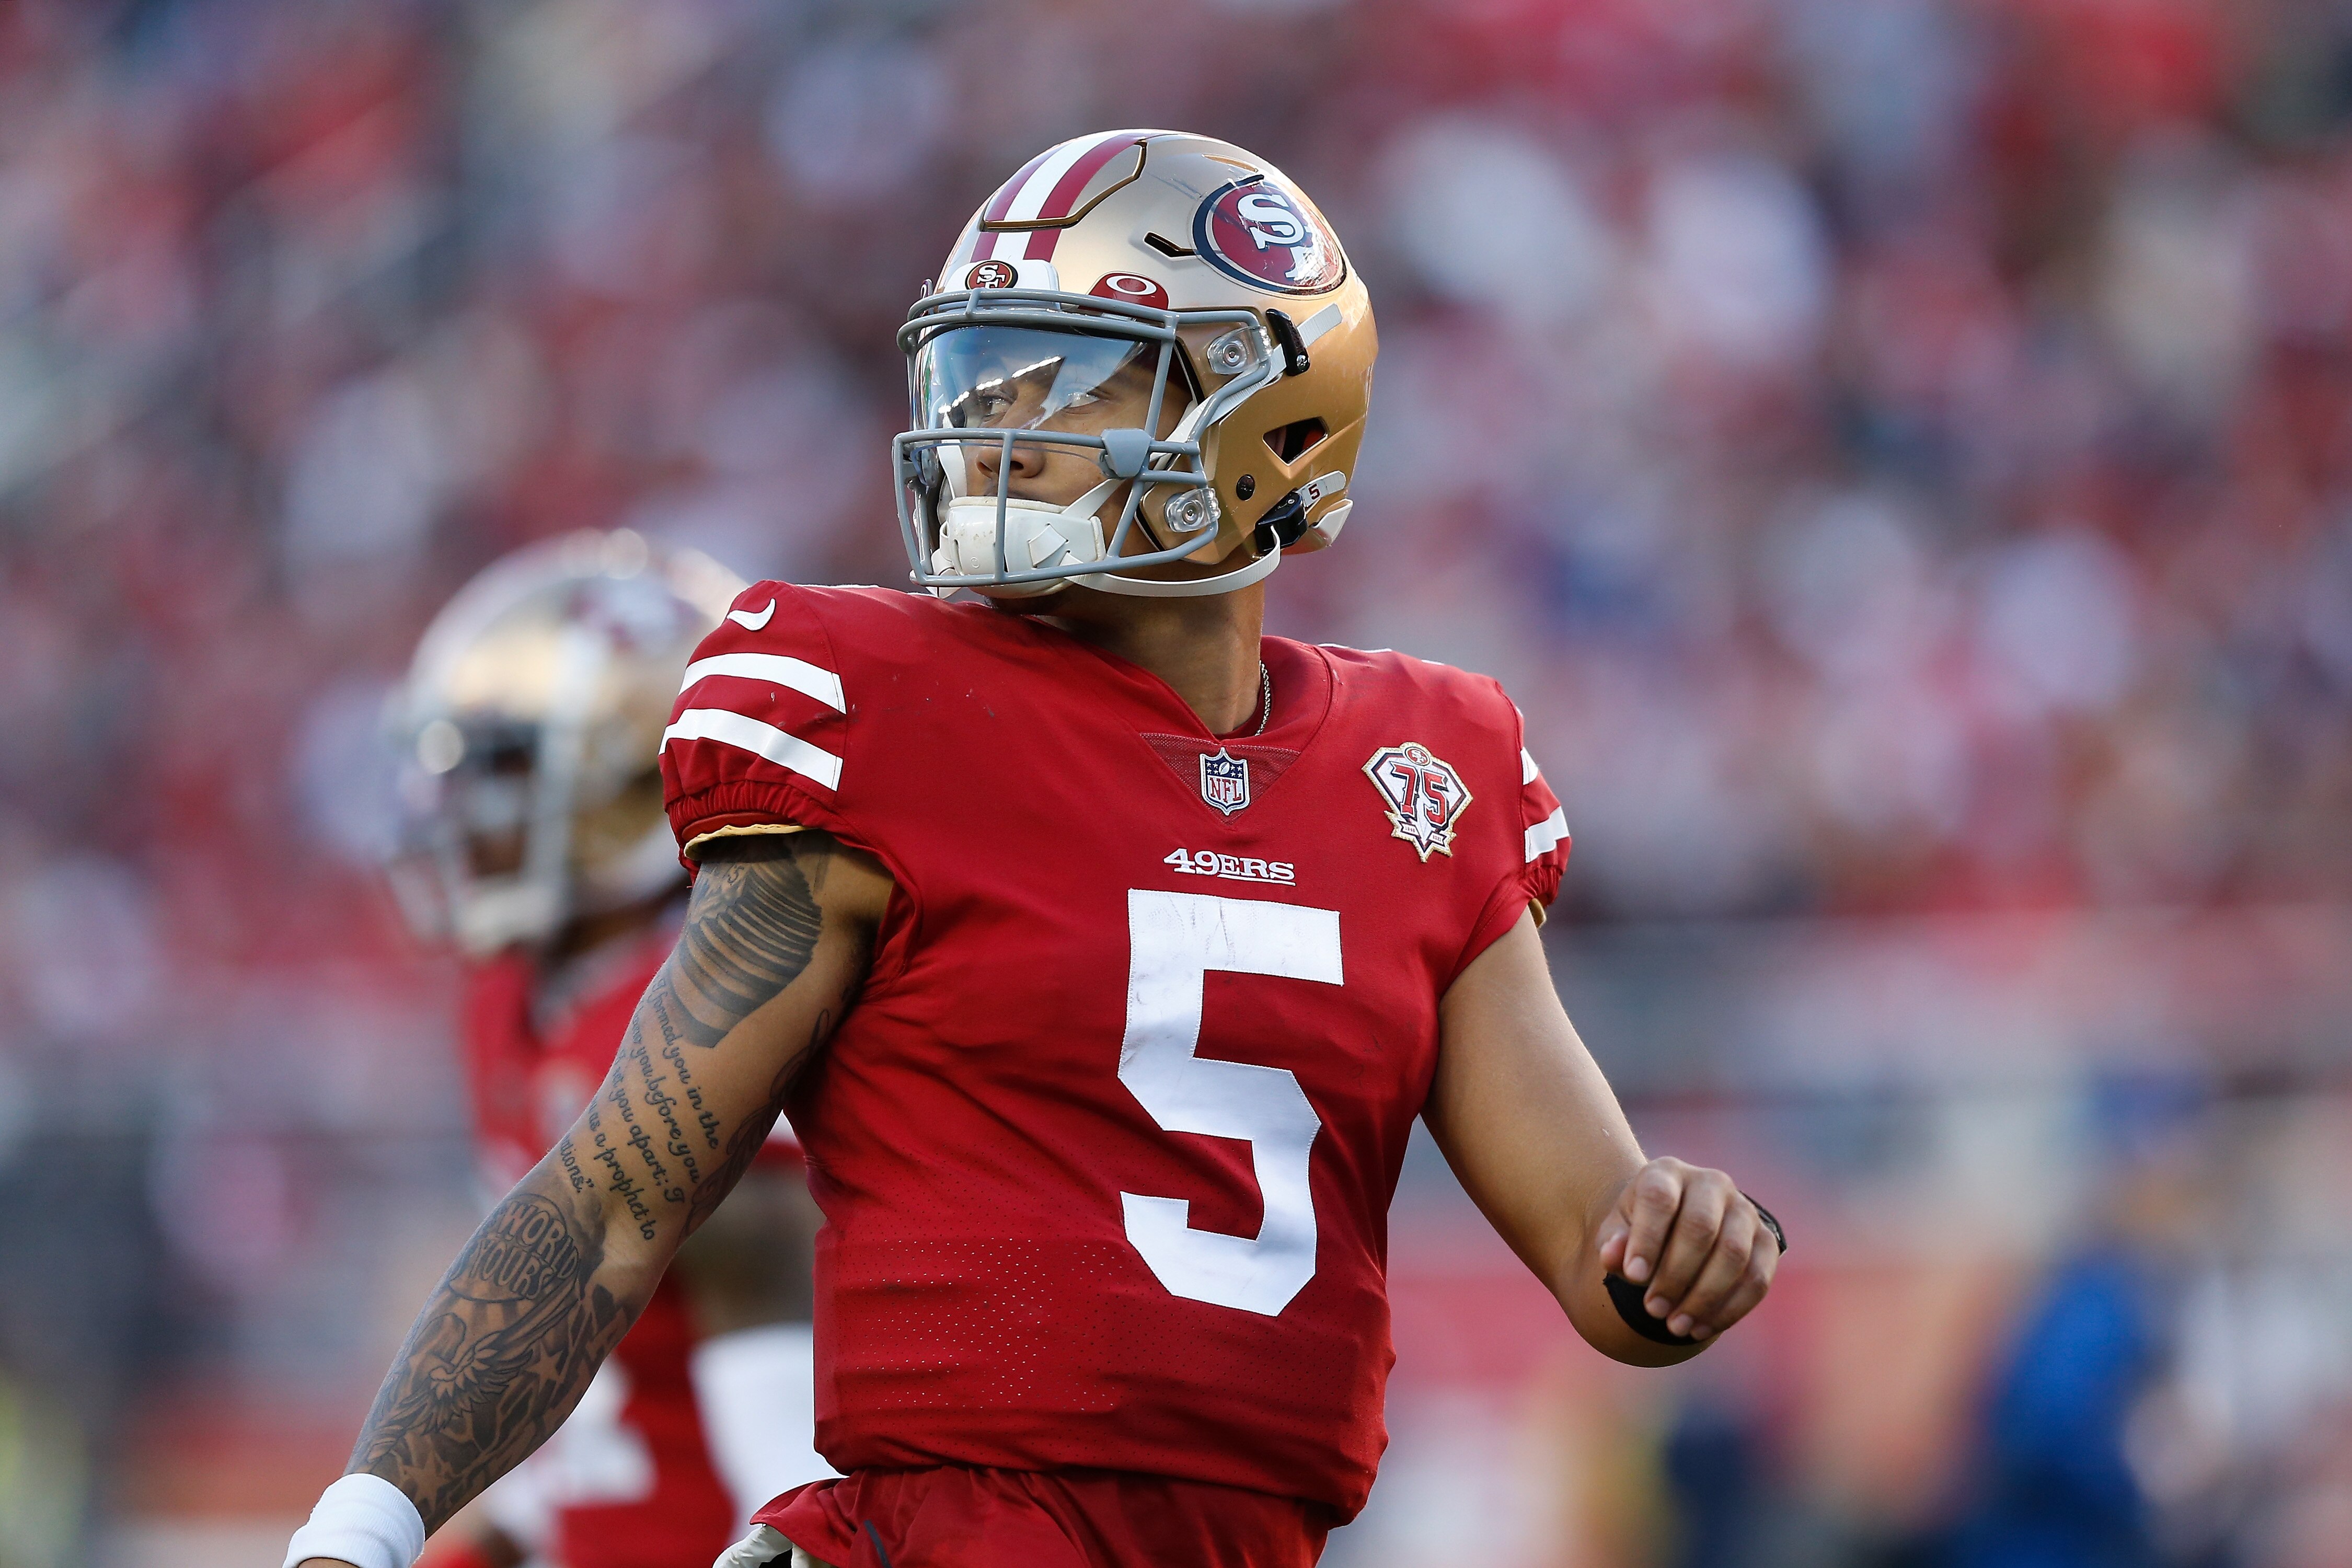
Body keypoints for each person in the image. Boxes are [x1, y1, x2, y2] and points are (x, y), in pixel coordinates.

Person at [286, 132, 1783, 1568]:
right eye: (982, 373)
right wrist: (359, 1532)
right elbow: (618, 1191)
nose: (997, 425)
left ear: (1273, 412)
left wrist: (1689, 1239)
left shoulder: (1422, 769)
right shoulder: (879, 704)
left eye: (1069, 381)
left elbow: (1607, 1258)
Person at [381, 533, 834, 1568]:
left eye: (502, 769)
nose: (456, 814)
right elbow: (588, 1421)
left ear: (630, 777)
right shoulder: (516, 1002)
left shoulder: (707, 1007)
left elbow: (799, 1486)